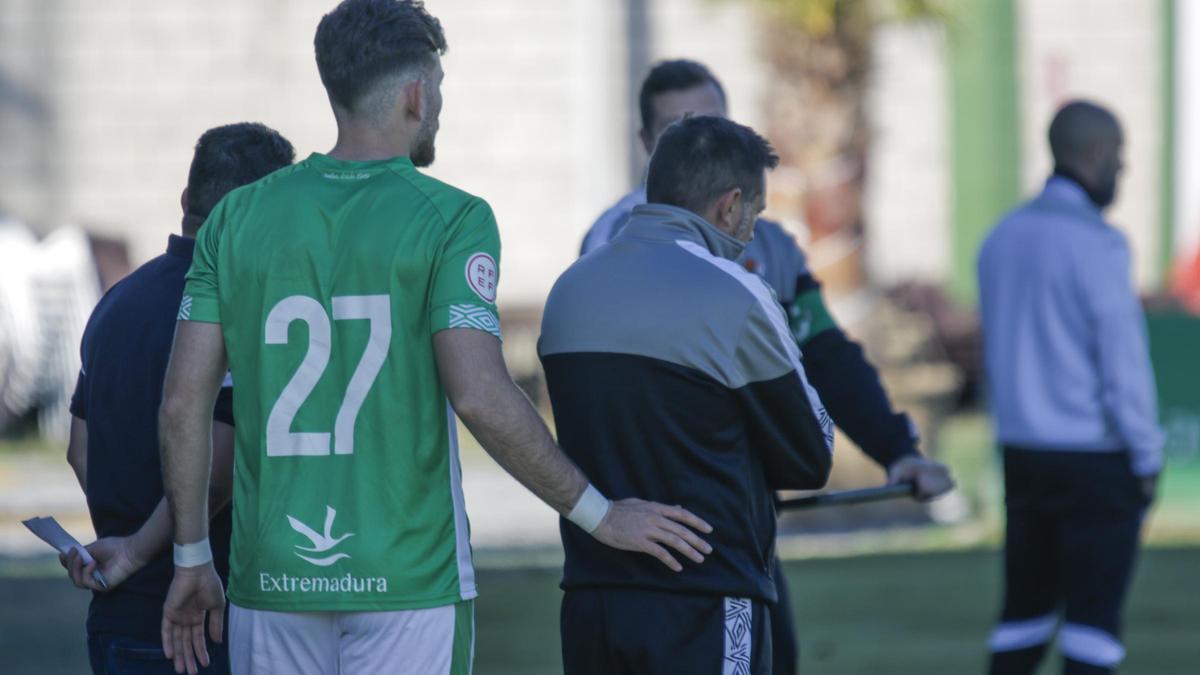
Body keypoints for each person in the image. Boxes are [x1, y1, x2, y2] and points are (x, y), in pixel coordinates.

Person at [156, 2, 712, 674]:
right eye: (440, 85)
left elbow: (184, 404)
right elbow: (479, 394)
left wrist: (191, 557)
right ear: (417, 95)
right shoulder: (453, 219)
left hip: (272, 577)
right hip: (408, 579)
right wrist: (599, 513)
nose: (442, 103)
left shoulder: (236, 217)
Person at [581, 58, 954, 673]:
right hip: (634, 535)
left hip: (735, 533)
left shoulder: (772, 246)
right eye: (678, 127)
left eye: (711, 121)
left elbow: (827, 355)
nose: (700, 139)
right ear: (648, 145)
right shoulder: (610, 244)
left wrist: (898, 449)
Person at [542, 115, 833, 675]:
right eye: (757, 213)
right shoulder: (738, 292)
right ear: (731, 206)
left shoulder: (569, 288)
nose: (752, 231)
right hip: (708, 595)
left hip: (590, 601)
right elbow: (811, 455)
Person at [61, 122, 296, 675]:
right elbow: (214, 469)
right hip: (203, 617)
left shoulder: (117, 302)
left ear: (187, 199)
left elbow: (79, 449)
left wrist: (123, 545)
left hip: (119, 614)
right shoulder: (242, 306)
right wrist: (149, 548)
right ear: (267, 213)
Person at [979, 100, 1163, 675]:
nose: (1122, 173)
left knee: (1023, 617)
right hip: (1096, 461)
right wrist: (1147, 453)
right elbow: (1122, 364)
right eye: (1120, 160)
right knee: (1093, 629)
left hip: (1024, 456)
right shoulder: (1099, 243)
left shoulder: (1001, 238)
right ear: (1097, 155)